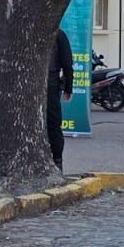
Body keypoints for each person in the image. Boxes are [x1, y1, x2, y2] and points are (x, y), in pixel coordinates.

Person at [47, 28, 74, 169]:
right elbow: (68, 64)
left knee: (52, 123)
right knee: (53, 123)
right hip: (51, 82)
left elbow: (67, 64)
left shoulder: (57, 34)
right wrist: (68, 88)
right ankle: (57, 161)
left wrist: (68, 87)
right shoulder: (58, 33)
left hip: (48, 82)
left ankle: (57, 160)